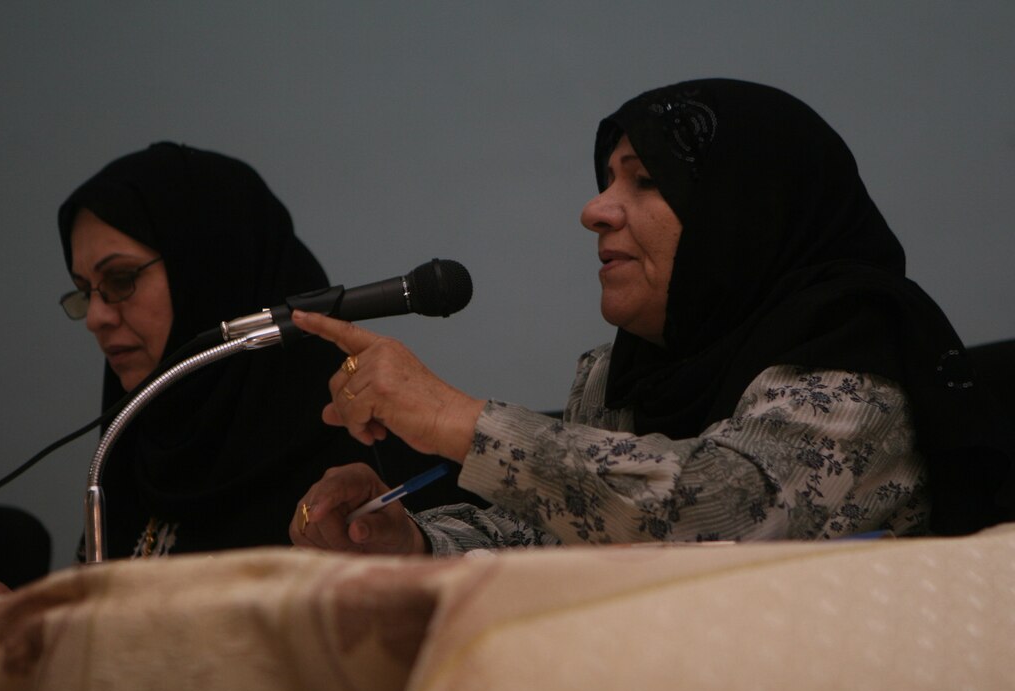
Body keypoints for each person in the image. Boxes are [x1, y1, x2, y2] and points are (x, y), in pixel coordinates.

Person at [288, 78, 1014, 556]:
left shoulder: (859, 349)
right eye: (606, 179)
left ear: (741, 214)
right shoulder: (624, 369)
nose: (595, 209)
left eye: (646, 180)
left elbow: (721, 510)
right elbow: (550, 535)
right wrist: (406, 541)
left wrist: (454, 418)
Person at [58, 142, 474, 561]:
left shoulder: (364, 454)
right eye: (84, 292)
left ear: (212, 272)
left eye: (121, 279)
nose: (96, 316)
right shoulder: (128, 445)